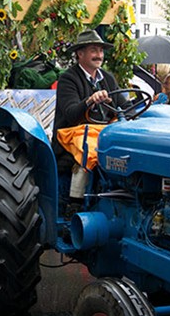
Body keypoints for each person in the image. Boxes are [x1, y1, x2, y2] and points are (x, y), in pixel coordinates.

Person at [52, 30, 129, 213]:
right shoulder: (68, 79)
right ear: (80, 54)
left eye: (101, 51)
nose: (99, 55)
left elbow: (124, 106)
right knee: (89, 151)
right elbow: (71, 114)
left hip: (103, 134)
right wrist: (90, 100)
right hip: (72, 137)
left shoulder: (108, 79)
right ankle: (74, 204)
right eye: (94, 50)